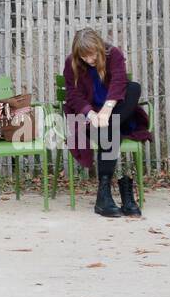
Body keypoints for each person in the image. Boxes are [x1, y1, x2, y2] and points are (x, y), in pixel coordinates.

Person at [61, 28, 152, 217]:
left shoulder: (114, 55)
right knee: (112, 132)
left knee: (133, 88)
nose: (89, 60)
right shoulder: (72, 63)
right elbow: (73, 95)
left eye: (92, 55)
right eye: (84, 57)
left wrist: (106, 111)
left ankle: (104, 196)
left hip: (115, 112)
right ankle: (115, 193)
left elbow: (119, 82)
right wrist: (91, 115)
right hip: (88, 120)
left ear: (100, 48)